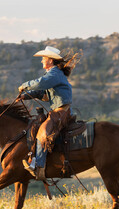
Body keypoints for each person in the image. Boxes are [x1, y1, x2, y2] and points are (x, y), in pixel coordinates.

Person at [18, 46, 80, 180]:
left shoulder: (54, 74)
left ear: (50, 61)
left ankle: (38, 166)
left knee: (43, 132)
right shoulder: (54, 74)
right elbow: (44, 93)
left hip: (60, 112)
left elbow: (41, 83)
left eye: (44, 59)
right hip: (57, 111)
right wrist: (26, 95)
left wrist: (25, 85)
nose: (42, 62)